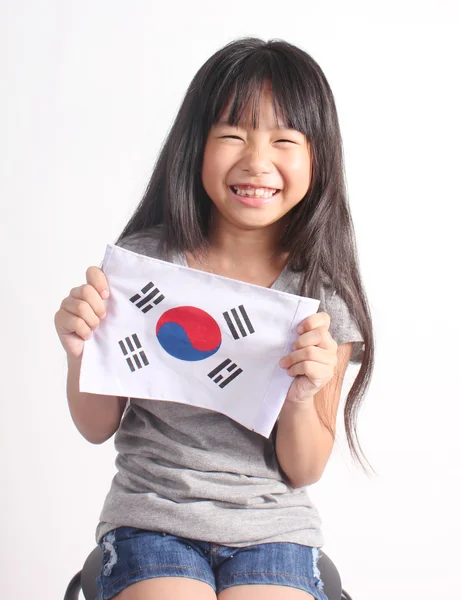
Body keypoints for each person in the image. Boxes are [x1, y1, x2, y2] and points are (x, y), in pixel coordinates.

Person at [55, 37, 374, 600]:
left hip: (274, 532)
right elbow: (96, 424)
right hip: (150, 520)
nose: (256, 161)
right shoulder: (147, 265)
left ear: (317, 156)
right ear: (194, 147)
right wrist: (81, 350)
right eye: (232, 135)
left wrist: (303, 394)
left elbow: (303, 469)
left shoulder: (321, 298)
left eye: (284, 139)